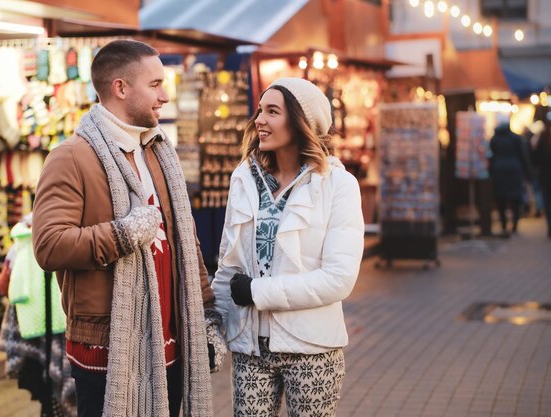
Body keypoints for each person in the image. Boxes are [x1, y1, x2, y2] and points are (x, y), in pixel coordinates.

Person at [32, 40, 217, 417]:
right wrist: (122, 234)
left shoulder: (157, 150)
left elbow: (187, 245)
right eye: (155, 85)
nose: (165, 96)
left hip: (172, 343)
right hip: (107, 348)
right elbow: (49, 246)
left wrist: (207, 316)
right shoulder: (70, 157)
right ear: (120, 88)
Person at [212, 78, 365, 416]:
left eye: (272, 112)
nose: (259, 121)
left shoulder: (338, 185)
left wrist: (257, 291)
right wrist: (213, 323)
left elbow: (338, 278)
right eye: (259, 111)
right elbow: (230, 265)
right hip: (250, 348)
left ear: (301, 122)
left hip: (312, 349)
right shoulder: (243, 179)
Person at [488, 114, 528, 236]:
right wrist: (527, 173)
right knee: (515, 199)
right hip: (515, 170)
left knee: (501, 199)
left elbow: (491, 156)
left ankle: (504, 225)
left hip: (499, 171)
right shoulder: (516, 138)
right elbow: (523, 156)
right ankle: (515, 225)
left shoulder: (494, 139)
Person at [531, 111, 551, 238]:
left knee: (547, 202)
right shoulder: (542, 137)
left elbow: (535, 158)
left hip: (545, 175)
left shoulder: (541, 137)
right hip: (545, 175)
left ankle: (550, 227)